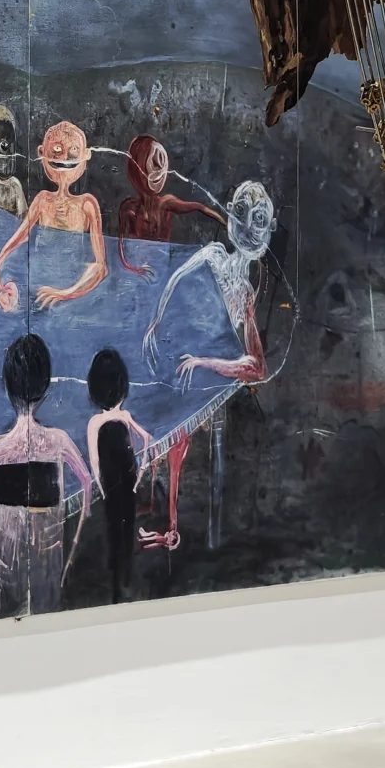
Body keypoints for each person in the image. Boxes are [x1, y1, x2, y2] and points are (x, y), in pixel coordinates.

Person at [139, 180, 276, 552]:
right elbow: (175, 281)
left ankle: (171, 524)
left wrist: (207, 363)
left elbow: (257, 366)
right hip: (174, 362)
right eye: (244, 214)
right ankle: (162, 516)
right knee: (166, 435)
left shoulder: (245, 294)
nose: (250, 227)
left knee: (179, 437)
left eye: (259, 220)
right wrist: (156, 323)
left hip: (202, 379)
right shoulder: (214, 255)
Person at [0, 333, 92, 616]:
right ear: (44, 388)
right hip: (48, 566)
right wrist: (72, 551)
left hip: (5, 570)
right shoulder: (58, 441)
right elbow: (87, 484)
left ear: (8, 387)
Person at [0, 120, 107, 310]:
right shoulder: (43, 200)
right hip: (37, 291)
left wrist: (65, 293)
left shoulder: (87, 204)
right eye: (57, 150)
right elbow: (21, 236)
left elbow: (99, 266)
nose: (65, 158)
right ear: (42, 153)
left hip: (71, 296)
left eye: (73, 150)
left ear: (86, 155)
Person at [86, 348, 152, 603]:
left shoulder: (94, 423)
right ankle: (124, 575)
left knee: (114, 524)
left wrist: (101, 487)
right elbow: (145, 439)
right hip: (127, 476)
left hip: (111, 482)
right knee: (127, 523)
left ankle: (118, 578)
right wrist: (140, 473)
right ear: (122, 386)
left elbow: (94, 460)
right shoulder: (124, 416)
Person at [118, 135, 225, 276]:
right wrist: (133, 269)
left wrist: (228, 224)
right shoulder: (129, 209)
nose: (159, 169)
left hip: (162, 271)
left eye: (161, 162)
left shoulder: (166, 204)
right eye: (152, 162)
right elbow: (121, 248)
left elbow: (199, 207)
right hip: (140, 273)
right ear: (138, 171)